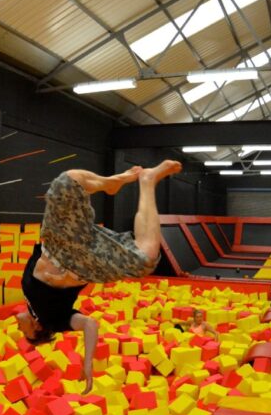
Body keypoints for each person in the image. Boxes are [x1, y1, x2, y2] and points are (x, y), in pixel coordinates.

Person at [17, 160, 183, 394]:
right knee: (144, 260)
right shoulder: (54, 321)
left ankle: (112, 183)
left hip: (58, 244)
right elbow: (89, 324)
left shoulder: (29, 301)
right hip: (85, 264)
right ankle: (147, 182)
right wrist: (87, 362)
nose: (18, 326)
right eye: (23, 332)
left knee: (66, 182)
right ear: (36, 330)